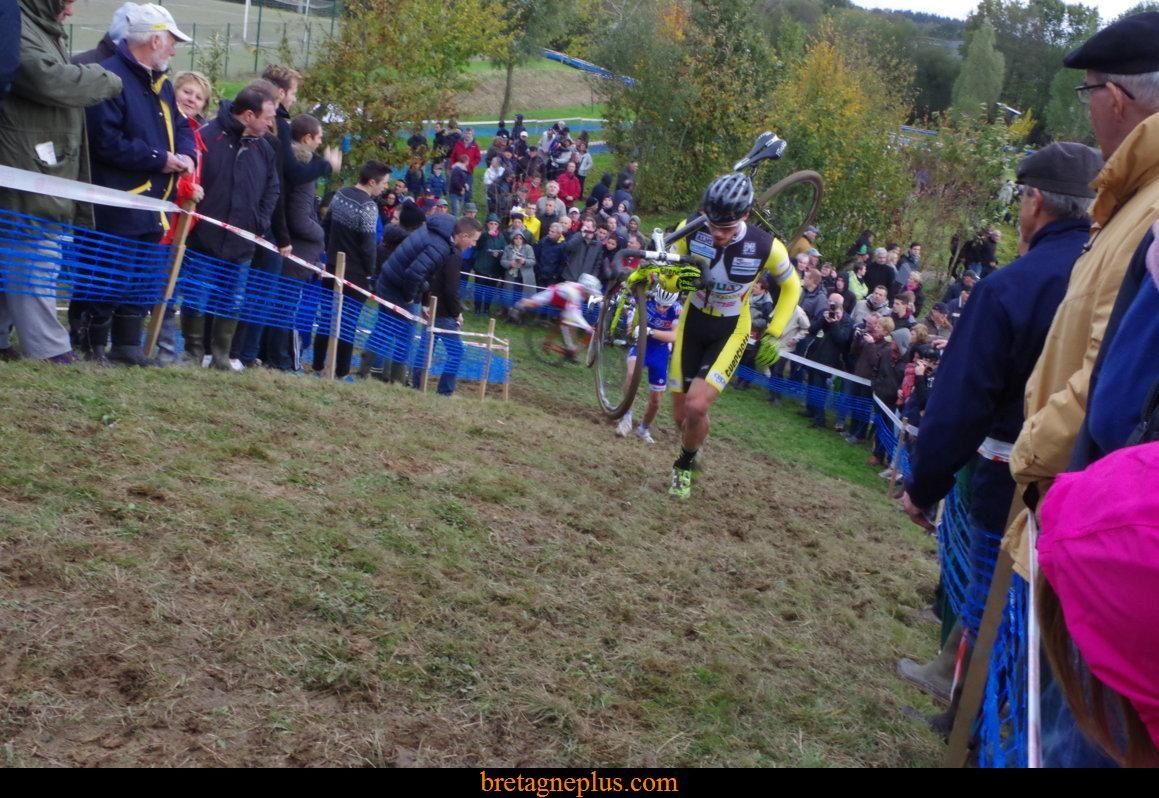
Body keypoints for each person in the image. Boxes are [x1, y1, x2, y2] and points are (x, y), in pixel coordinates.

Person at [896, 143, 1101, 711]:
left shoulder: (1011, 285)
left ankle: (966, 719)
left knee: (991, 596)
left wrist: (924, 484)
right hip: (1088, 479)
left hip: (1009, 470)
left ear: (1034, 200)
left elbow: (962, 397)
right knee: (1030, 608)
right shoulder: (1109, 276)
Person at [664, 173, 801, 498]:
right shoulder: (690, 228)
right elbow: (666, 277)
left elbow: (792, 287)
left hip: (730, 328)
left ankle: (684, 465)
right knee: (683, 417)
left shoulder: (766, 246)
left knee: (697, 405)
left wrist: (774, 332)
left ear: (745, 216)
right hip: (692, 323)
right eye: (713, 225)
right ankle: (695, 447)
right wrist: (682, 279)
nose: (717, 234)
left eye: (725, 228)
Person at [0, 0, 122, 364]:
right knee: (32, 255)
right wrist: (104, 78)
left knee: (15, 256)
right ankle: (49, 348)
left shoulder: (37, 26)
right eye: (67, 2)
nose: (71, 11)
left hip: (39, 166)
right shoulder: (19, 25)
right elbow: (43, 77)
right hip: (25, 168)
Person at [80, 3, 196, 367]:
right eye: (172, 42)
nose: (174, 50)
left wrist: (187, 154)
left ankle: (127, 345)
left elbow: (181, 126)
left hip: (156, 203)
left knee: (141, 277)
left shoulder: (162, 85)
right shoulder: (108, 77)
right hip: (119, 200)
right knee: (109, 274)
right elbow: (105, 141)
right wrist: (159, 159)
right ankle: (91, 345)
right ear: (155, 40)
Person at [180, 81, 279, 370]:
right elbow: (189, 179)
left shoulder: (265, 149)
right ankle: (193, 353)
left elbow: (272, 188)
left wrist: (259, 222)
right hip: (204, 238)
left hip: (243, 242)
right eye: (267, 117)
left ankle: (221, 356)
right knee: (196, 297)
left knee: (233, 300)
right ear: (248, 115)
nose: (271, 124)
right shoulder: (206, 137)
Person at [616, 286, 682, 443]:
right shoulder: (646, 299)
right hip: (642, 345)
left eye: (665, 306)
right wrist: (631, 323)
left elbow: (674, 336)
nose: (661, 308)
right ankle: (626, 418)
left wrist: (650, 331)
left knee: (656, 401)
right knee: (631, 374)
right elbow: (629, 313)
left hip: (660, 352)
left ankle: (643, 429)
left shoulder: (678, 310)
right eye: (658, 304)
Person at [514, 272, 602, 361]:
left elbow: (599, 298)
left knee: (571, 324)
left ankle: (569, 349)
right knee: (534, 303)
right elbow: (575, 314)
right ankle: (517, 307)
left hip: (565, 301)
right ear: (586, 290)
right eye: (591, 294)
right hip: (553, 294)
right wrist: (587, 327)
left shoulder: (582, 290)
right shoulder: (575, 293)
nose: (591, 296)